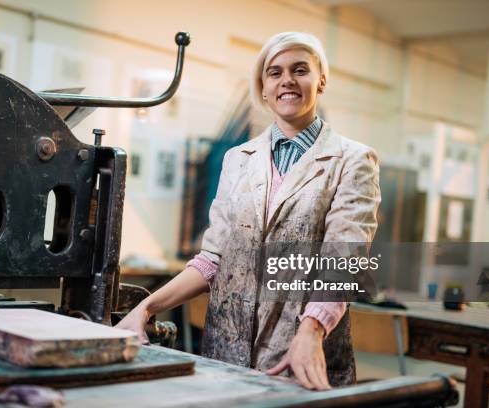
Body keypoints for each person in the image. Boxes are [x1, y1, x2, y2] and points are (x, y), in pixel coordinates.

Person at [116, 32, 380, 390]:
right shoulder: (237, 159)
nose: (287, 79)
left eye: (299, 69)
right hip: (225, 356)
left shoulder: (352, 160)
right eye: (275, 72)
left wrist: (312, 329)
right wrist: (146, 308)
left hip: (299, 358)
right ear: (264, 87)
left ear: (321, 80)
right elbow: (212, 259)